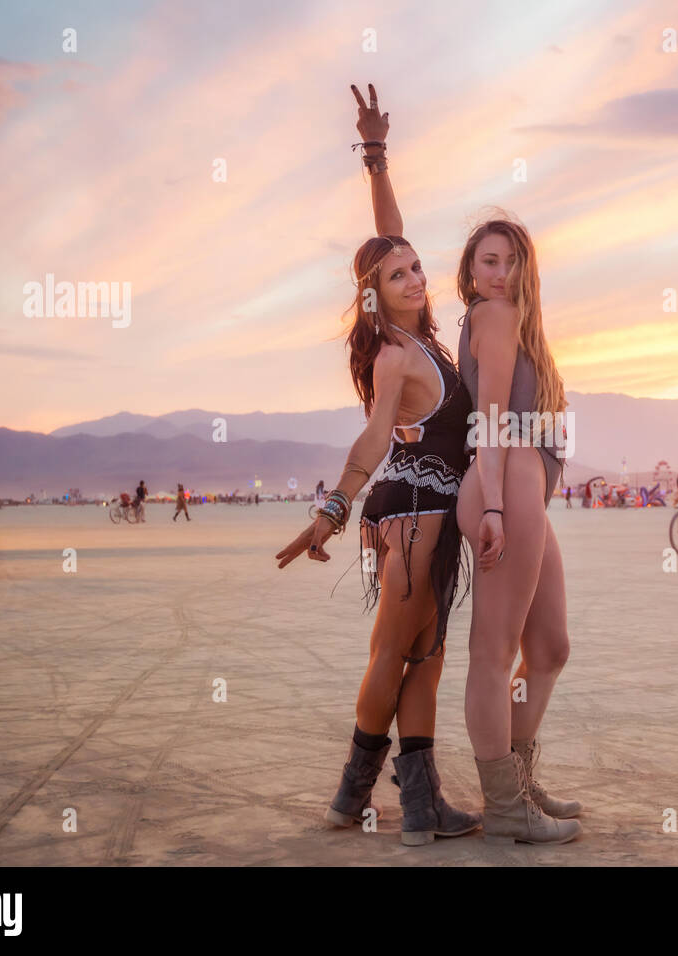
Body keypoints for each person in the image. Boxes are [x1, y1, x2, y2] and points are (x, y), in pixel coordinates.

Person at [275, 84, 480, 848]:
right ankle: (350, 794)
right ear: (375, 296)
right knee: (395, 652)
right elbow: (371, 440)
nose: (417, 277)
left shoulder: (422, 338)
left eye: (419, 268)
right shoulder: (396, 354)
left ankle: (423, 810)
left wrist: (375, 155)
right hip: (410, 514)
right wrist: (329, 510)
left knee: (425, 656)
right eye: (399, 277)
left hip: (433, 515)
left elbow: (389, 235)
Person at [456, 213, 581, 845]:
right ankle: (505, 806)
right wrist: (497, 508)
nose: (500, 274)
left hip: (523, 482)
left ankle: (521, 782)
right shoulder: (493, 317)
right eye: (487, 261)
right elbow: (493, 418)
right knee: (494, 653)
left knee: (550, 648)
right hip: (506, 480)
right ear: (470, 271)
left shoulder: (522, 325)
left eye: (510, 262)